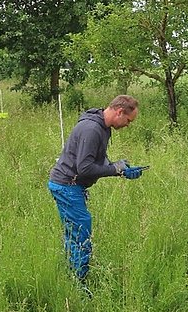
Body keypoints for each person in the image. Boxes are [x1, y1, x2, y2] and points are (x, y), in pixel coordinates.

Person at [47, 94, 145, 291]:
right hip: (67, 185)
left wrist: (122, 170)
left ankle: (72, 275)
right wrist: (116, 168)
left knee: (74, 233)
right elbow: (85, 169)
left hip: (71, 185)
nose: (128, 125)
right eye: (128, 120)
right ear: (119, 112)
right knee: (81, 233)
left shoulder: (102, 127)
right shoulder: (92, 129)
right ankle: (78, 285)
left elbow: (96, 162)